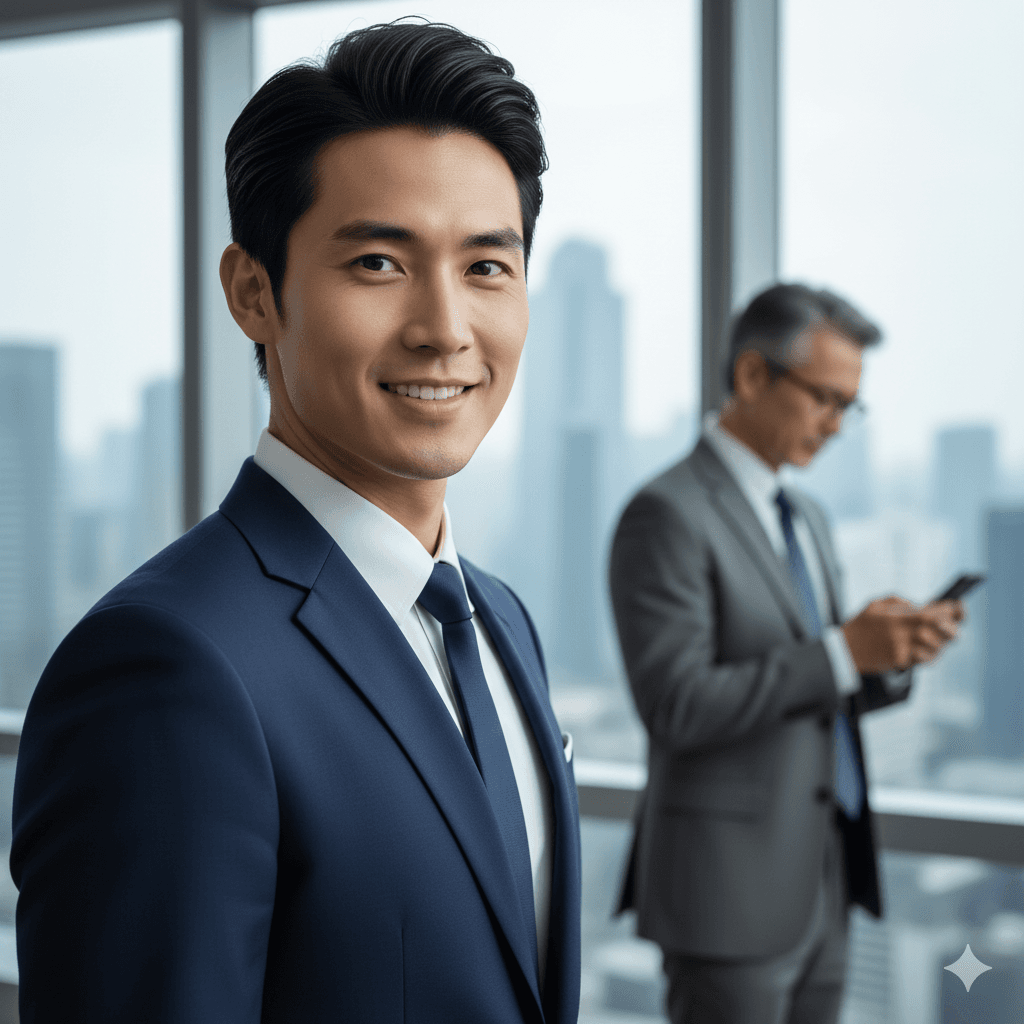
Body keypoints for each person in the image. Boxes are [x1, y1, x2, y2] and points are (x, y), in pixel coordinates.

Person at [12, 21, 581, 1024]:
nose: (445, 326)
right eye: (376, 262)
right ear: (253, 293)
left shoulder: (500, 623)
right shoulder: (166, 666)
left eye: (487, 267)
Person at [609, 283, 962, 1024]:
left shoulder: (805, 513)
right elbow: (677, 706)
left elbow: (812, 688)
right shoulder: (666, 514)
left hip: (822, 876)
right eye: (825, 399)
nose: (838, 426)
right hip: (729, 895)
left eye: (849, 405)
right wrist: (842, 652)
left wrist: (886, 655)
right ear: (750, 377)